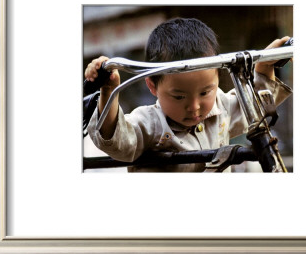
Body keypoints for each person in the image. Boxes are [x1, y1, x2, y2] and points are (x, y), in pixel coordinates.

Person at [86, 18, 292, 172]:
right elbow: (118, 142)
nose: (194, 107)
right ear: (152, 86)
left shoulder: (221, 107)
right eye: (179, 96)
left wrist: (264, 68)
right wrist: (108, 90)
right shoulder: (149, 123)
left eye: (205, 92)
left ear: (218, 79)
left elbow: (254, 107)